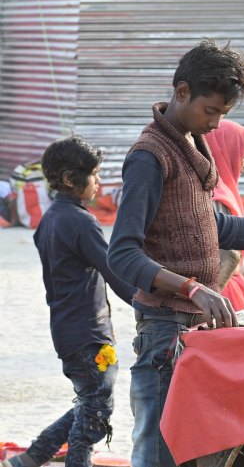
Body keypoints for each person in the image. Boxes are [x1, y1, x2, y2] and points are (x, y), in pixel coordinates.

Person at [107, 39, 244, 466]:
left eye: (224, 113)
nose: (217, 124)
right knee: (156, 448)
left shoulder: (191, 147)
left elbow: (206, 226)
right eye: (212, 111)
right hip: (164, 331)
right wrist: (193, 289)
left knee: (192, 447)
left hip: (194, 328)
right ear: (181, 92)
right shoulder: (150, 157)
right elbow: (122, 254)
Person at [2, 137, 137, 467]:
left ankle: (34, 456)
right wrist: (145, 302)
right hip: (89, 333)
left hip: (66, 329)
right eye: (95, 174)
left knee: (91, 399)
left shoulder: (50, 219)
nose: (99, 182)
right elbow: (113, 270)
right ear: (68, 178)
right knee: (97, 407)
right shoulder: (80, 221)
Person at [205, 119, 244, 309]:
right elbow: (218, 255)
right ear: (224, 150)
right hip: (220, 291)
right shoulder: (215, 197)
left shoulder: (220, 191)